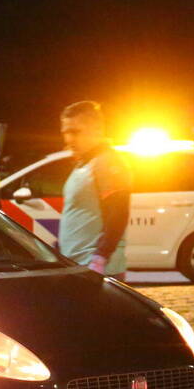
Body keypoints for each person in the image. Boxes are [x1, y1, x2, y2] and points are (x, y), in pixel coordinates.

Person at [57, 100, 131, 278]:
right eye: (65, 132)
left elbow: (118, 213)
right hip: (78, 266)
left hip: (97, 270)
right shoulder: (84, 163)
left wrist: (100, 258)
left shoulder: (106, 162)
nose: (68, 138)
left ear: (96, 130)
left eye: (75, 132)